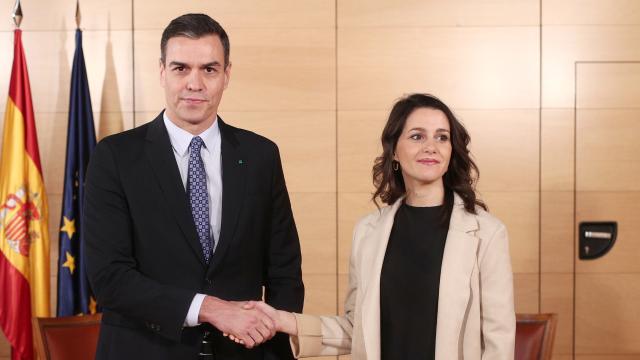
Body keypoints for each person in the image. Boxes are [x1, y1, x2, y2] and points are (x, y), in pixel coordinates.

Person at [84, 13, 304, 359]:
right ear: (161, 72)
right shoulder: (115, 157)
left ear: (227, 75)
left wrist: (270, 334)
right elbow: (109, 278)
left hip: (245, 352)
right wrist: (211, 309)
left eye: (209, 69)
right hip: (145, 350)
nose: (195, 83)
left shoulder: (261, 155)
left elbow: (285, 270)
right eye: (181, 68)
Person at [231, 93, 515, 359]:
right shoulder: (368, 232)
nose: (431, 147)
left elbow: (498, 341)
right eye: (417, 136)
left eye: (442, 137)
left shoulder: (486, 233)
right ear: (394, 151)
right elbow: (357, 330)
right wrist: (284, 320)